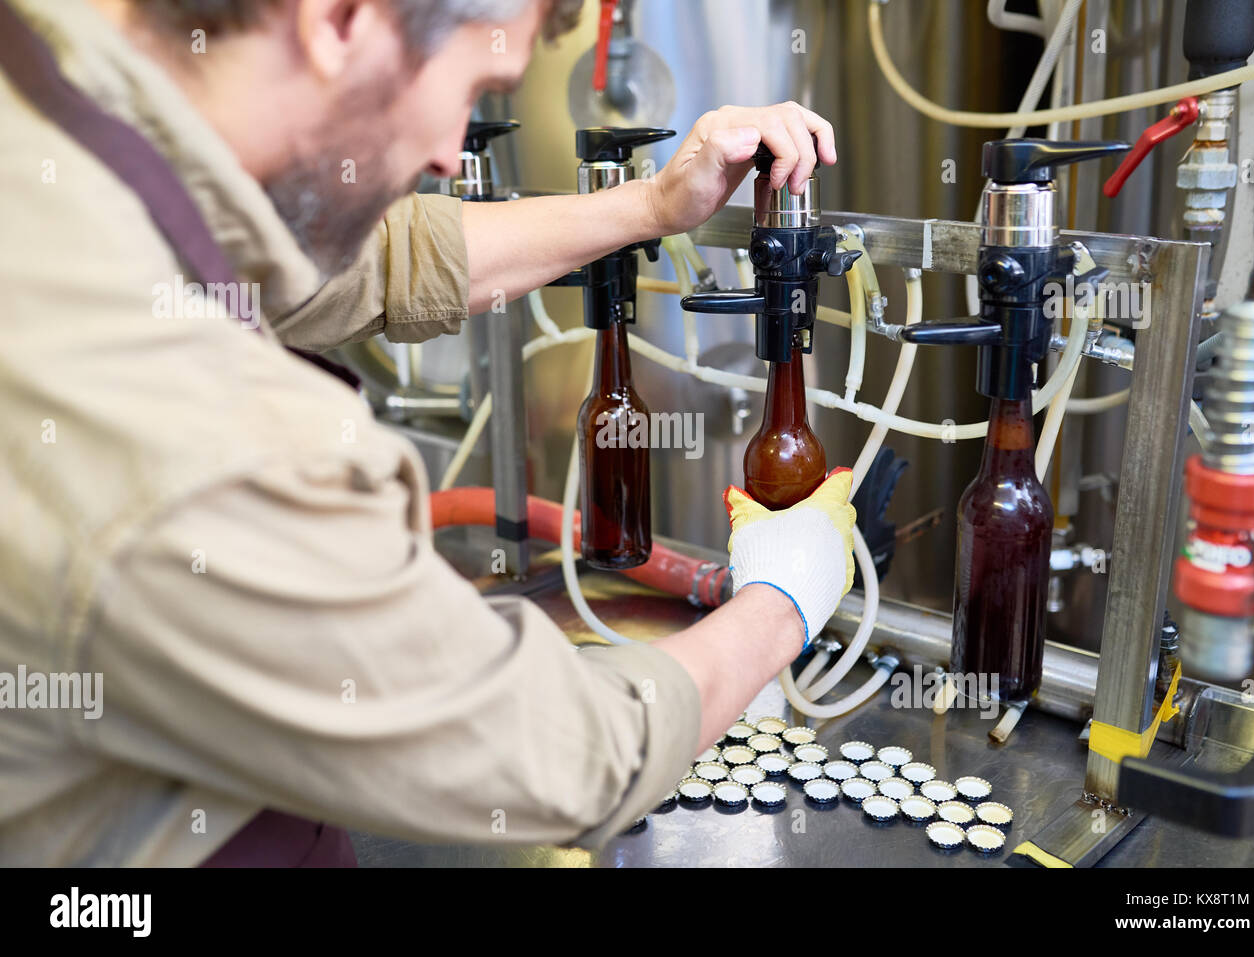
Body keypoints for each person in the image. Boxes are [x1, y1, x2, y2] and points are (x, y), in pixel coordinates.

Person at [0, 0, 854, 866]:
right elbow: (557, 754)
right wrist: (783, 602)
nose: (453, 152)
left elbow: (358, 263)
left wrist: (656, 204)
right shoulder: (181, 421)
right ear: (338, 20)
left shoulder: (62, 114)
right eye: (472, 87)